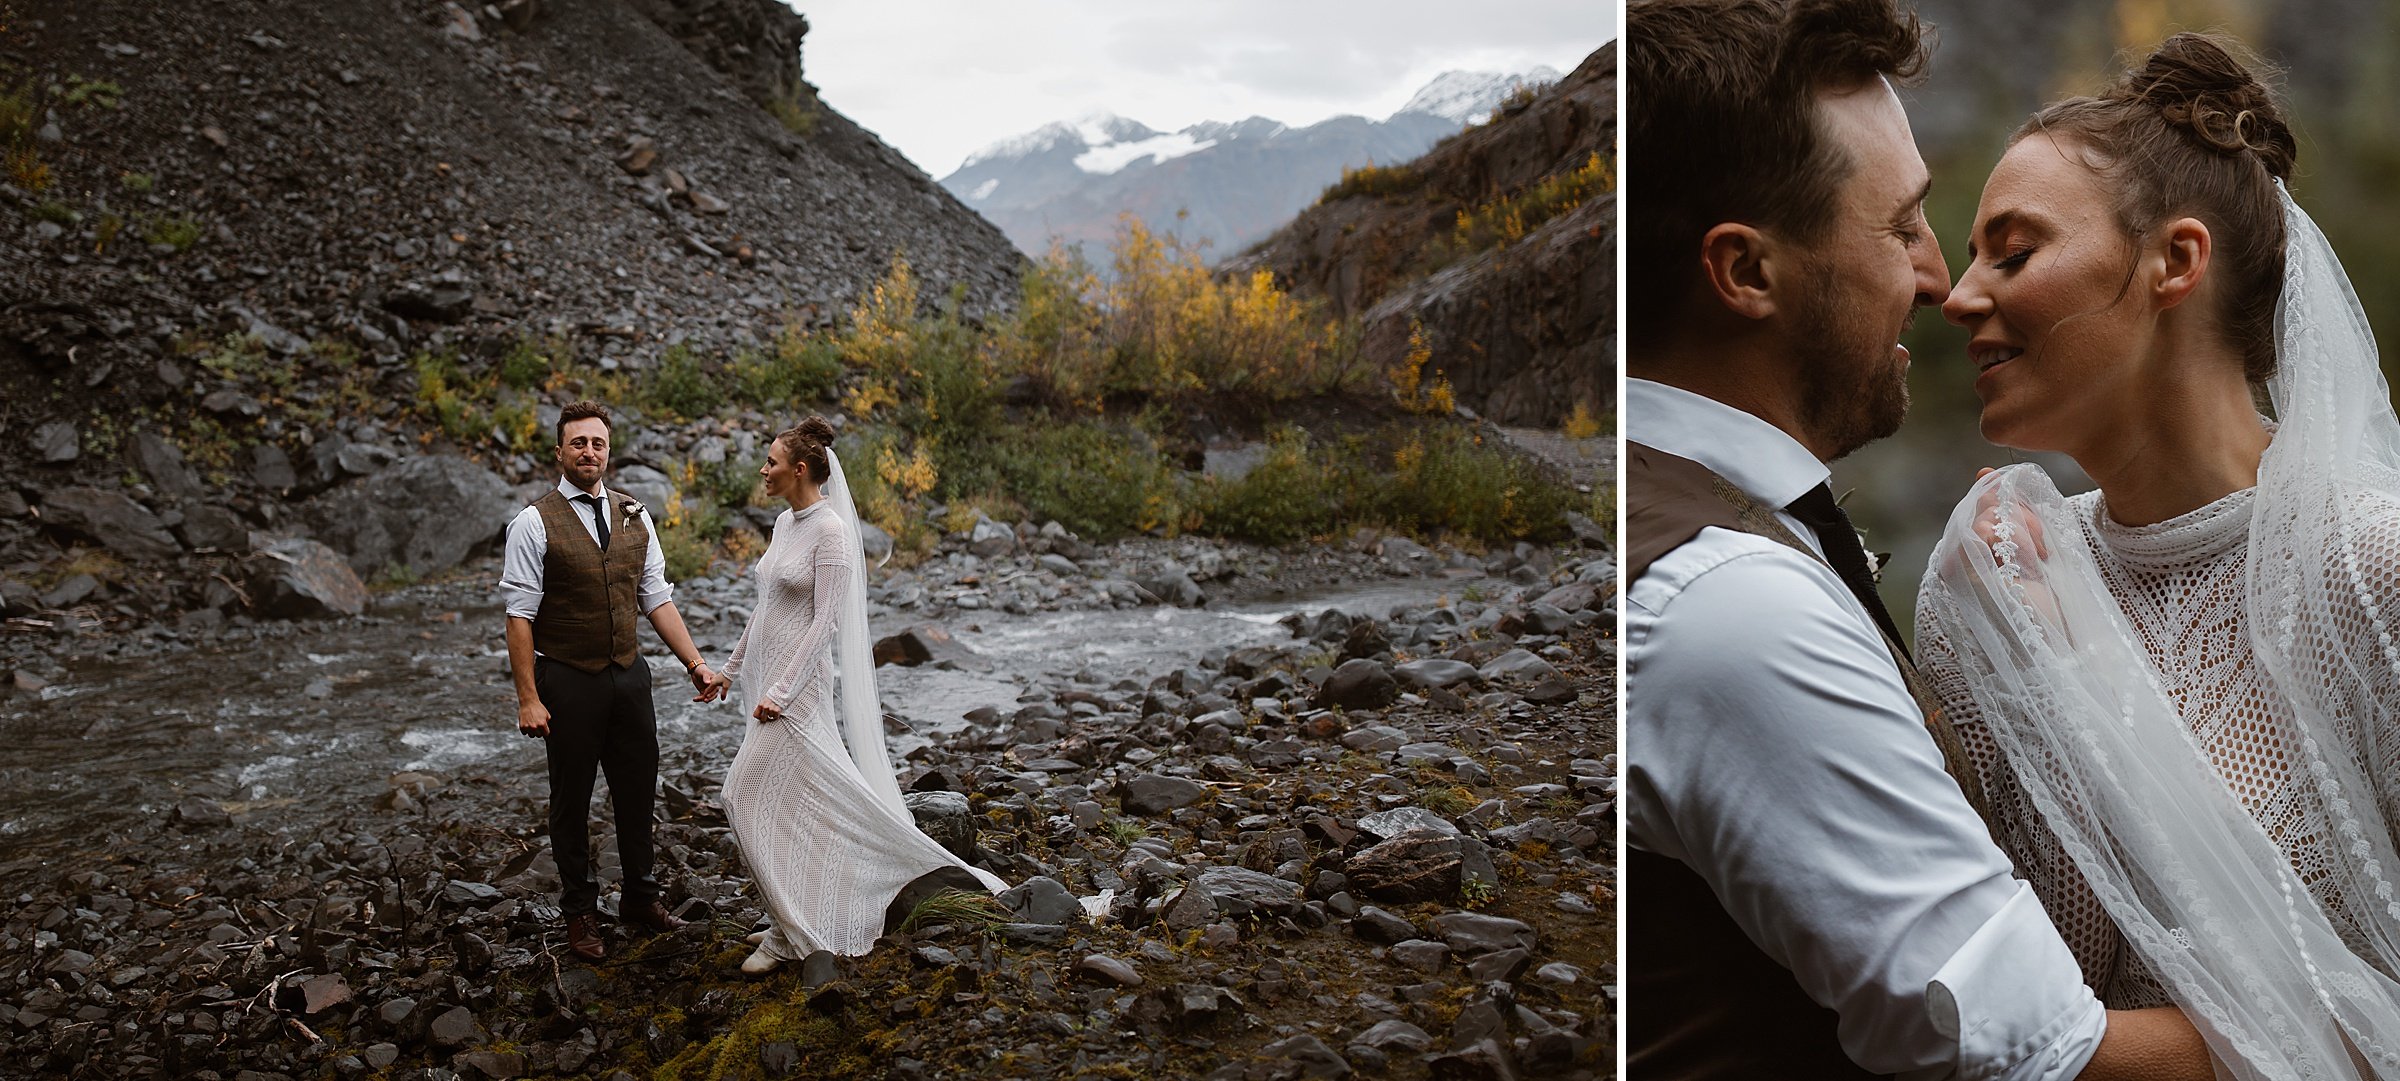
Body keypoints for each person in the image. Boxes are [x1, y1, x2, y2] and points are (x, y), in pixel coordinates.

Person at [1622, 0, 2215, 1076]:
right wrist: (2347, 1022)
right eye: (1901, 227)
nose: (1939, 279)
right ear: (1746, 273)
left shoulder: (1659, 517)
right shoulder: (1731, 606)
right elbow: (2032, 1057)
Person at [1920, 33, 2400, 1076]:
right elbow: (2016, 979)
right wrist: (2043, 675)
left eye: (2012, 251)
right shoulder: (1989, 589)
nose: (1957, 296)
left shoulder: (2375, 571)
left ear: (2175, 261)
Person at [706, 416, 1005, 975]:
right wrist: (729, 671)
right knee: (795, 805)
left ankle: (793, 935)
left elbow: (825, 623)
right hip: (763, 685)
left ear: (800, 470)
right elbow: (766, 607)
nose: (763, 470)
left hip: (794, 690)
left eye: (771, 462)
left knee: (738, 797)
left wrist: (784, 688)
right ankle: (786, 914)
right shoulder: (783, 525)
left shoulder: (832, 532)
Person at [500, 399, 717, 961]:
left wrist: (695, 664)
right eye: (578, 443)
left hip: (629, 675)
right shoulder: (532, 522)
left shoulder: (635, 515)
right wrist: (528, 698)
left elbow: (656, 599)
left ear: (608, 451)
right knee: (571, 800)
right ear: (560, 452)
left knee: (637, 789)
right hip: (566, 678)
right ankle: (579, 915)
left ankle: (640, 898)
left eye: (597, 443)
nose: (588, 452)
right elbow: (519, 616)